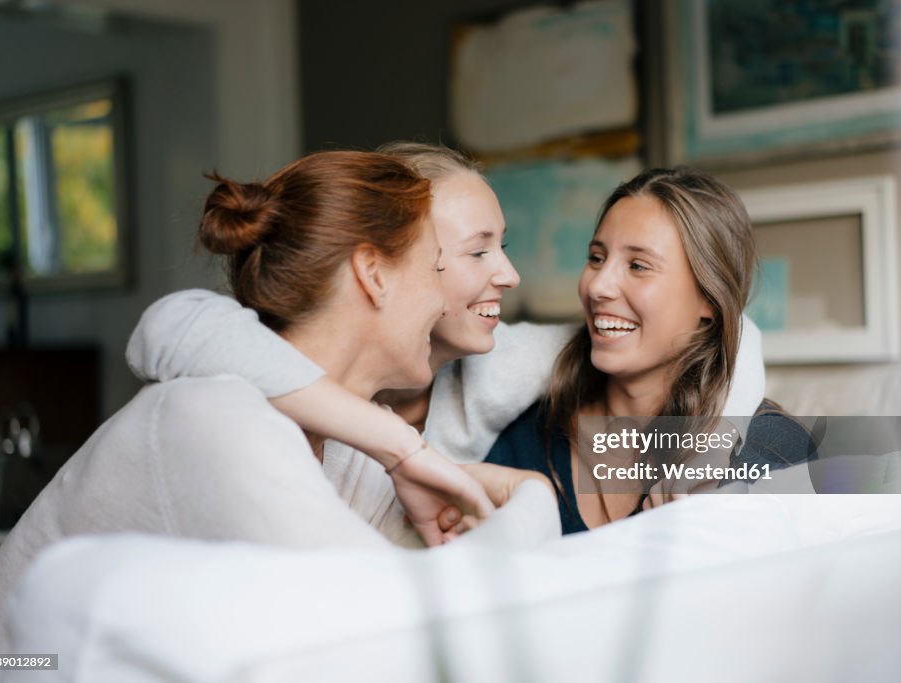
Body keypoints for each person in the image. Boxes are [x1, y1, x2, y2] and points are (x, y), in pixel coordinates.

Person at [0, 151, 559, 655]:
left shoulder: (357, 451)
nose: (447, 297)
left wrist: (496, 490)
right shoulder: (218, 417)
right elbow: (399, 631)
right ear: (374, 273)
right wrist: (528, 496)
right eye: (439, 267)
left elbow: (429, 600)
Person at [125, 144, 768, 540]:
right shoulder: (517, 438)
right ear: (381, 268)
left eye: (637, 264)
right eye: (475, 251)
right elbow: (174, 325)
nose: (596, 285)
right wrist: (404, 452)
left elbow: (736, 336)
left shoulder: (509, 369)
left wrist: (712, 436)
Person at [485, 167, 815, 534]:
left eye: (638, 266)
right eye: (596, 258)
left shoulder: (771, 450)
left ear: (709, 298)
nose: (598, 286)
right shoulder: (527, 436)